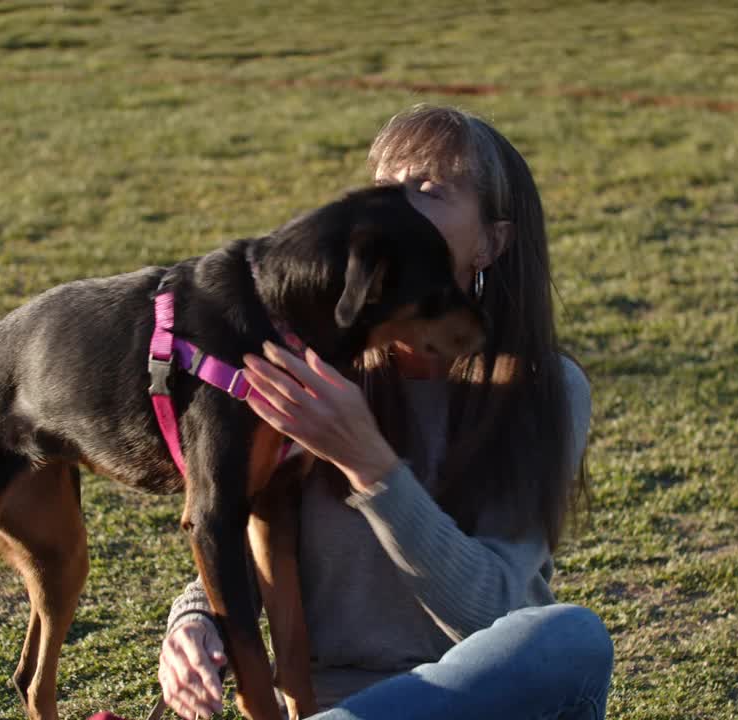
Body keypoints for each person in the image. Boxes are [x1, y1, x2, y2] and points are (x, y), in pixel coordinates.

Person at [157, 105, 612, 719]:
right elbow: (254, 528)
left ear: (491, 242)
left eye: (427, 190)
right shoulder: (311, 367)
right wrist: (196, 621)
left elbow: (497, 611)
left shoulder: (544, 387)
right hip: (335, 703)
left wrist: (370, 464)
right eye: (383, 187)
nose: (392, 208)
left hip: (485, 700)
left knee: (570, 638)